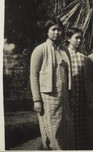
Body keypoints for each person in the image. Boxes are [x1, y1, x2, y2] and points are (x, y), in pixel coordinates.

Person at [30, 17, 75, 150]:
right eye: (53, 29)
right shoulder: (40, 50)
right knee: (52, 133)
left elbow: (69, 74)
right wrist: (36, 99)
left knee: (66, 130)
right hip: (48, 98)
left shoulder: (65, 50)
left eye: (59, 30)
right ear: (47, 32)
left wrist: (70, 94)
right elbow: (33, 75)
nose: (56, 33)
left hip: (64, 98)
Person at [66, 28, 91, 149]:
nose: (79, 40)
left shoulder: (84, 57)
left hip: (82, 97)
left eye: (81, 38)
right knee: (69, 127)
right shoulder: (64, 55)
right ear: (68, 38)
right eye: (76, 37)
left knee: (81, 127)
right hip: (68, 97)